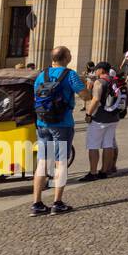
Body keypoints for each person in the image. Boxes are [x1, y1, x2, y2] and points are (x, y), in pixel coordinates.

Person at [30, 46, 87, 216]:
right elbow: (85, 95)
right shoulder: (70, 74)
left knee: (42, 162)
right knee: (60, 162)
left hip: (42, 123)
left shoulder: (41, 75)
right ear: (66, 57)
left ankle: (37, 203)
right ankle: (57, 202)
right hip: (62, 123)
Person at [80, 62, 123, 182]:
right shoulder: (116, 81)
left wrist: (88, 114)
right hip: (113, 117)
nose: (95, 72)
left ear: (101, 70)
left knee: (93, 145)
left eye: (96, 70)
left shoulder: (100, 82)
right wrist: (121, 109)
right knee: (108, 144)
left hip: (99, 118)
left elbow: (96, 99)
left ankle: (93, 172)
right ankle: (104, 171)